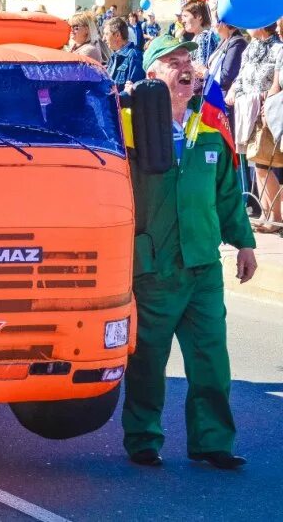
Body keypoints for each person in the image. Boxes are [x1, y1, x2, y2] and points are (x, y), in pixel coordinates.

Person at [122, 34, 256, 470]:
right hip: (154, 266)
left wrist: (245, 244)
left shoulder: (210, 129)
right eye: (172, 61)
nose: (185, 68)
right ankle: (143, 438)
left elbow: (227, 198)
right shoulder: (128, 132)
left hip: (202, 266)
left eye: (188, 61)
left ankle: (212, 441)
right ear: (152, 75)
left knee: (211, 360)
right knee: (147, 361)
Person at [228, 24, 282, 231]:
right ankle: (267, 215)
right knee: (257, 164)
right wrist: (236, 92)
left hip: (267, 114)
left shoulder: (279, 49)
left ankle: (275, 217)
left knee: (263, 165)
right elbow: (241, 77)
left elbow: (277, 84)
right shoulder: (251, 47)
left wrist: (265, 102)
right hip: (250, 114)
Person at [206, 20, 247, 133]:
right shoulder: (225, 40)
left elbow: (226, 76)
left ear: (223, 24)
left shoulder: (237, 43)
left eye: (215, 21)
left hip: (225, 101)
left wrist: (204, 72)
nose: (213, 25)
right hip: (215, 97)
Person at [104, 16, 145, 92]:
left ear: (117, 35)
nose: (104, 38)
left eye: (106, 34)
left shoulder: (134, 56)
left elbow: (135, 91)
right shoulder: (114, 56)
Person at [180, 0, 219, 75]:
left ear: (199, 16)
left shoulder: (203, 38)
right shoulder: (200, 36)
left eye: (185, 16)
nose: (183, 21)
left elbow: (200, 72)